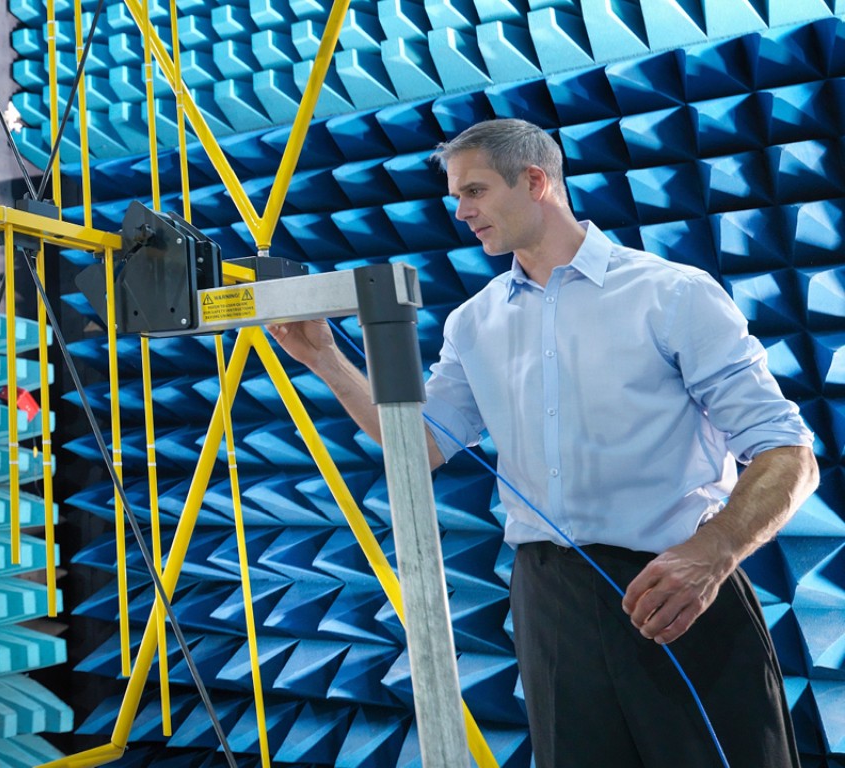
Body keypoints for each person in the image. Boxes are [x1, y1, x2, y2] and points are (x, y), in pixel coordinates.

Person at [267, 118, 819, 768]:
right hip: (549, 600)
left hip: (677, 585)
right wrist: (327, 360)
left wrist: (714, 550)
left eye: (474, 191)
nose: (461, 212)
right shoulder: (473, 321)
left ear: (535, 181)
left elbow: (790, 453)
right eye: (455, 197)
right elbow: (418, 445)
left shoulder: (672, 294)